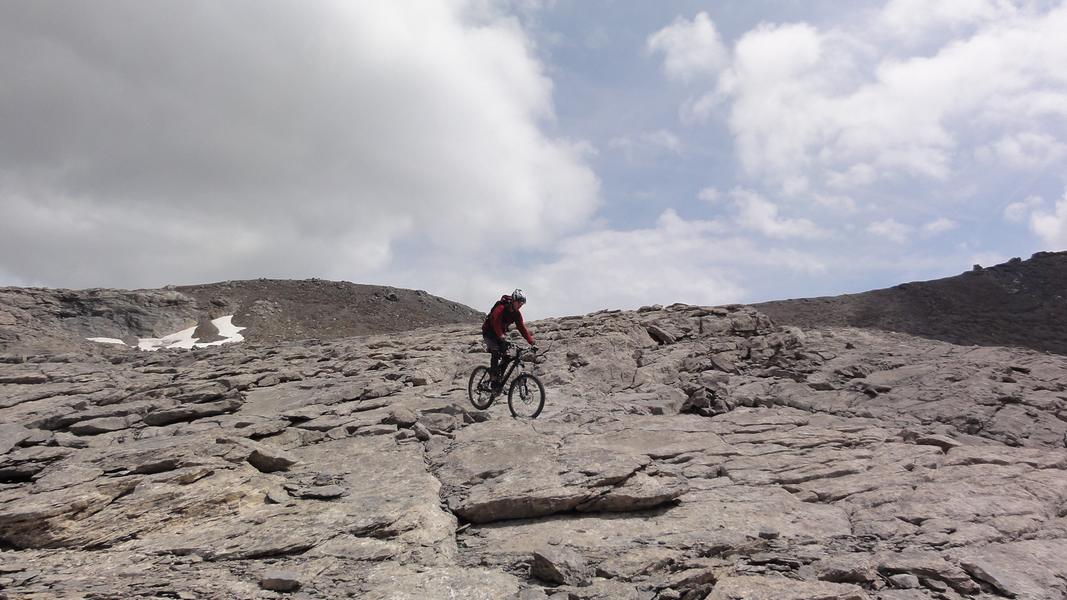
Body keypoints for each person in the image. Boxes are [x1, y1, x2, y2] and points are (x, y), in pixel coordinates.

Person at [482, 288, 536, 388]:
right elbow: (496, 322)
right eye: (519, 303)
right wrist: (501, 336)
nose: (520, 305)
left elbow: (521, 328)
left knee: (507, 356)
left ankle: (499, 377)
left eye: (522, 304)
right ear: (514, 300)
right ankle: (493, 378)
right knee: (496, 351)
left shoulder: (516, 314)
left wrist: (531, 341)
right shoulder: (501, 308)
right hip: (489, 332)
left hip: (500, 335)